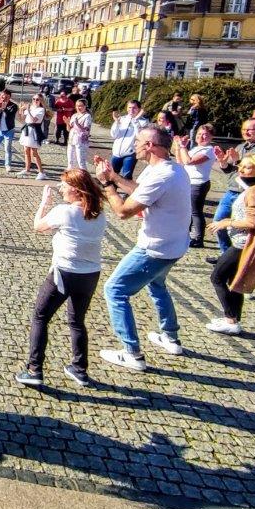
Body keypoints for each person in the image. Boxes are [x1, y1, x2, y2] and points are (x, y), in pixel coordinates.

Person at [93, 126, 190, 371]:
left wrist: (107, 185)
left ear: (150, 146)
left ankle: (132, 353)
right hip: (175, 245)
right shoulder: (171, 169)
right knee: (157, 285)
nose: (134, 144)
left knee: (114, 290)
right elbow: (140, 191)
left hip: (156, 248)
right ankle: (170, 337)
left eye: (138, 141)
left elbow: (123, 212)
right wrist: (114, 176)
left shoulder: (162, 175)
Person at [15, 169, 107, 388]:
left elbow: (38, 227)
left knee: (40, 317)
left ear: (76, 190)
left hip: (64, 272)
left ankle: (34, 369)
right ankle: (80, 368)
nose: (60, 188)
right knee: (77, 321)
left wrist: (44, 203)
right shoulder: (99, 213)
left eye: (64, 185)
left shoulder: (65, 212)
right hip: (90, 274)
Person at [206, 155, 255, 335]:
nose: (241, 170)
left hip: (243, 245)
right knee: (234, 281)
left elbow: (252, 222)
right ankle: (233, 320)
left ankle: (230, 319)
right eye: (241, 166)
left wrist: (227, 222)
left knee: (217, 277)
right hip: (243, 243)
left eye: (247, 167)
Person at [211, 118, 255, 254]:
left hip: (249, 193)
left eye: (250, 129)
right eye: (244, 129)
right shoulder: (240, 147)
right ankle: (225, 254)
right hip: (232, 190)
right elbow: (230, 171)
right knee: (218, 222)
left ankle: (239, 255)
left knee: (242, 226)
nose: (246, 132)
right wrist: (223, 162)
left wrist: (237, 160)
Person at [174, 123, 216, 248]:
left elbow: (189, 161)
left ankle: (198, 238)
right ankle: (187, 234)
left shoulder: (209, 150)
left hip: (199, 183)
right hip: (189, 182)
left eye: (205, 135)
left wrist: (183, 147)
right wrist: (178, 147)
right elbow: (181, 162)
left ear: (211, 137)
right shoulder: (195, 148)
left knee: (196, 211)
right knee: (188, 209)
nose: (201, 137)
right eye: (199, 134)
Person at [108, 100, 147, 179]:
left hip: (130, 153)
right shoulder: (122, 119)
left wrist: (136, 120)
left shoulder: (143, 121)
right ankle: (112, 190)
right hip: (116, 153)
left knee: (127, 176)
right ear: (127, 108)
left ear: (139, 109)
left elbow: (139, 136)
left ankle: (129, 191)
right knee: (112, 175)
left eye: (134, 108)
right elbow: (113, 135)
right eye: (129, 107)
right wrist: (117, 122)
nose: (131, 110)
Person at [16, 94, 48, 178]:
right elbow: (22, 118)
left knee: (34, 152)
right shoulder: (31, 107)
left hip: (34, 130)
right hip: (27, 129)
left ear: (41, 100)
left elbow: (34, 120)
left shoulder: (41, 110)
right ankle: (27, 169)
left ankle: (41, 172)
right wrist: (21, 110)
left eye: (37, 99)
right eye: (33, 99)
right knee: (26, 150)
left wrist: (28, 110)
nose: (35, 101)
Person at [65, 98, 93, 171]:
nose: (78, 108)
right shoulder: (74, 115)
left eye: (80, 106)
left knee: (81, 161)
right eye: (77, 106)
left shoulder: (87, 116)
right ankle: (71, 177)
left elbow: (86, 130)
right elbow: (69, 129)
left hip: (81, 141)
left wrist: (77, 124)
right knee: (70, 161)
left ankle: (84, 178)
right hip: (72, 139)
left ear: (85, 106)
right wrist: (67, 123)